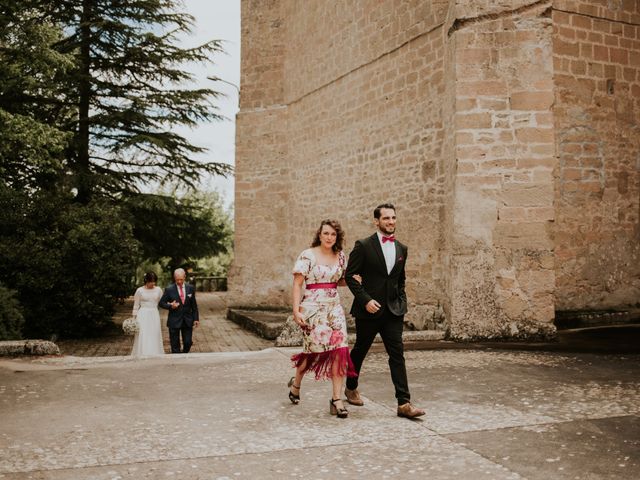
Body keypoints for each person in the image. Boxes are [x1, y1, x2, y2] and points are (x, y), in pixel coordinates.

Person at [344, 203, 426, 419]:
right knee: (360, 351)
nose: (391, 222)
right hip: (368, 311)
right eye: (386, 218)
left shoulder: (402, 248)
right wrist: (365, 301)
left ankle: (404, 403)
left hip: (393, 312)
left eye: (393, 218)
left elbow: (400, 280)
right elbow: (350, 277)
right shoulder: (363, 245)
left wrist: (401, 301)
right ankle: (350, 386)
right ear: (376, 221)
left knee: (397, 354)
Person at [288, 219, 357, 418]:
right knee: (313, 353)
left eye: (333, 234)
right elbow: (297, 284)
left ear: (337, 237)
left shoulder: (341, 256)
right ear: (320, 234)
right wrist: (296, 310)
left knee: (340, 350)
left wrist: (353, 280)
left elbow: (338, 280)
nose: (329, 237)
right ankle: (296, 385)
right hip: (312, 308)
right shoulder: (307, 255)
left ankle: (336, 400)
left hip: (334, 308)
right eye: (326, 233)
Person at [159, 268, 200, 353]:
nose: (179, 282)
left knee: (188, 343)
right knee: (175, 345)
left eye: (181, 279)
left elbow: (194, 306)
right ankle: (177, 360)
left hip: (187, 320)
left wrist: (196, 319)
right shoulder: (169, 289)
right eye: (177, 280)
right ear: (174, 278)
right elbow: (161, 303)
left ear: (185, 277)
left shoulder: (190, 288)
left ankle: (184, 354)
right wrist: (171, 306)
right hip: (174, 320)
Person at [131, 272, 164, 357]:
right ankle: (142, 353)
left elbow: (163, 302)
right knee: (143, 333)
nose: (153, 283)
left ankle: (155, 353)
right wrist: (133, 319)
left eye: (154, 281)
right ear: (146, 280)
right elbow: (136, 305)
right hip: (143, 314)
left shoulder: (158, 290)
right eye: (151, 281)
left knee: (154, 333)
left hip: (154, 314)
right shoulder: (139, 290)